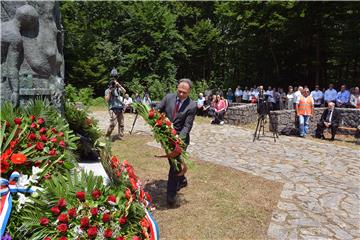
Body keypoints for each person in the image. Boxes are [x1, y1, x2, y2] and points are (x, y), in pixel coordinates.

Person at [157, 79, 197, 206]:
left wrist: (179, 139)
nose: (181, 94)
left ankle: (171, 195)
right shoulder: (168, 97)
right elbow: (157, 109)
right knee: (174, 162)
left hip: (181, 140)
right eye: (179, 91)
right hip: (166, 138)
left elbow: (187, 126)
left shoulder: (192, 105)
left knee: (174, 166)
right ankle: (182, 179)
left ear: (189, 92)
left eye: (184, 93)